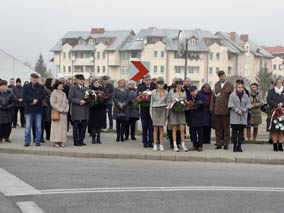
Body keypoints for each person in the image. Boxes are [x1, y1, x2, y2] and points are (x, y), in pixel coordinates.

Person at [210, 70, 234, 150]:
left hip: (226, 110)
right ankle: (218, 143)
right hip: (217, 110)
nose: (221, 77)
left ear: (225, 75)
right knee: (218, 128)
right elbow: (213, 98)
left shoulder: (230, 85)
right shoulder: (216, 85)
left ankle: (226, 143)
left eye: (223, 76)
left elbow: (232, 98)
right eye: (220, 76)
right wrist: (212, 108)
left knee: (226, 128)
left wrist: (230, 108)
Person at [22, 73, 45, 147]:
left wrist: (37, 99)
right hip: (29, 109)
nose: (34, 79)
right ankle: (27, 141)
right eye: (33, 78)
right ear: (30, 78)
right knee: (28, 126)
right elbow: (24, 96)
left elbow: (43, 95)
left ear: (37, 79)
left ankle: (37, 140)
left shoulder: (41, 87)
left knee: (38, 126)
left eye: (36, 78)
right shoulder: (25, 87)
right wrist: (32, 100)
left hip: (38, 109)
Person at [167, 78, 189, 152]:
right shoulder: (171, 91)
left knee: (182, 128)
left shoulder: (184, 92)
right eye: (179, 84)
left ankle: (183, 145)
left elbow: (185, 101)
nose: (180, 85)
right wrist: (173, 104)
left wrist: (184, 104)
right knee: (174, 129)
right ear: (176, 84)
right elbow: (168, 102)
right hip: (173, 112)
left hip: (181, 112)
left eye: (181, 84)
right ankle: (175, 145)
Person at [228, 81, 251, 152]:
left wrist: (243, 110)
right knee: (234, 132)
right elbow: (230, 105)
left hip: (243, 116)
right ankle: (235, 146)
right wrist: (237, 110)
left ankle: (239, 146)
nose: (240, 89)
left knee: (241, 132)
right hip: (235, 116)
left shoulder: (246, 96)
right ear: (236, 88)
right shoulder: (232, 95)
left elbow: (248, 105)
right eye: (239, 87)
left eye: (242, 87)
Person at [68, 74, 89, 146]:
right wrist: (79, 101)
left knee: (83, 126)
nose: (82, 81)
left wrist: (91, 100)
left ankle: (81, 140)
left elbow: (89, 97)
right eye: (80, 79)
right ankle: (76, 141)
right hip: (76, 110)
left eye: (83, 79)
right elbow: (70, 98)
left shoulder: (86, 88)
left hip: (85, 110)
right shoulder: (73, 87)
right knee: (76, 127)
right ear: (77, 80)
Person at [137, 74, 156, 148]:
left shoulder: (154, 88)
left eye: (149, 80)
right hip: (144, 110)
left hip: (152, 111)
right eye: (146, 80)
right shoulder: (140, 87)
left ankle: (150, 141)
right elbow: (138, 97)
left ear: (151, 80)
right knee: (144, 127)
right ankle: (144, 142)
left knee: (151, 127)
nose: (148, 81)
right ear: (144, 80)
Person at [150, 77, 168, 152]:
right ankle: (154, 144)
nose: (160, 85)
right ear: (157, 84)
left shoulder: (166, 92)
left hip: (163, 109)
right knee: (155, 128)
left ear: (163, 85)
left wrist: (167, 115)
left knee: (161, 129)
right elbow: (151, 103)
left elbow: (167, 104)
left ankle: (161, 145)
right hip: (155, 109)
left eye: (162, 84)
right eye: (159, 84)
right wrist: (151, 114)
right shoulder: (153, 92)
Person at [187, 86, 208, 152]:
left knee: (200, 133)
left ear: (196, 90)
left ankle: (200, 146)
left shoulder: (201, 96)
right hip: (191, 117)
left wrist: (201, 103)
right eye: (191, 91)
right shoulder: (189, 97)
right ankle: (194, 145)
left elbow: (206, 104)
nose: (192, 93)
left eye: (193, 91)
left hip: (199, 118)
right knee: (192, 133)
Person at [50, 80, 69, 147]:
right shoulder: (54, 93)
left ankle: (61, 141)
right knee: (56, 128)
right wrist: (60, 109)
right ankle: (56, 141)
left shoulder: (64, 93)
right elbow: (52, 103)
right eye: (60, 85)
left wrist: (66, 109)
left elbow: (67, 102)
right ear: (57, 86)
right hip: (57, 112)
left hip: (64, 113)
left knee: (62, 128)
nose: (62, 86)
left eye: (62, 85)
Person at [267, 78, 284, 151]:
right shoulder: (271, 91)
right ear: (275, 83)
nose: (279, 84)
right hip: (273, 111)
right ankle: (274, 145)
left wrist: (282, 104)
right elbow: (269, 100)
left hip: (282, 112)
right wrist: (276, 105)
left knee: (281, 130)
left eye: (280, 82)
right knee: (274, 130)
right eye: (278, 82)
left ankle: (280, 145)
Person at [88, 79, 107, 144]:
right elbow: (88, 99)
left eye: (98, 82)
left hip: (100, 109)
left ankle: (98, 138)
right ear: (93, 83)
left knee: (99, 124)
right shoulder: (90, 90)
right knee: (93, 124)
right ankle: (93, 138)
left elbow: (105, 99)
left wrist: (102, 101)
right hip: (93, 109)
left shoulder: (102, 90)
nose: (96, 83)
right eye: (95, 82)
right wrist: (92, 102)